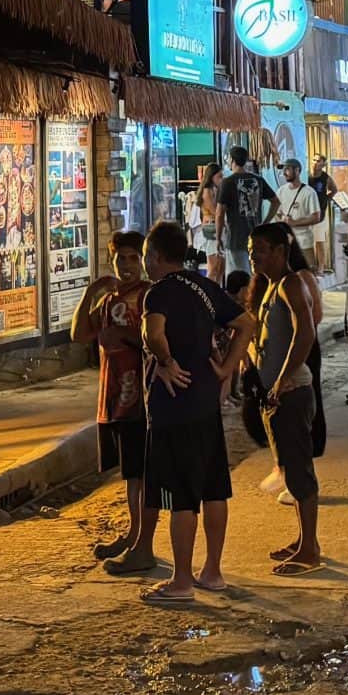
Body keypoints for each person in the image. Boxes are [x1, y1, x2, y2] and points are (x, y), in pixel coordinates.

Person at [138, 220, 244, 603]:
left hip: (175, 401)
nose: (146, 264)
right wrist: (228, 366)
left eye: (148, 256)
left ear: (157, 256)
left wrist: (164, 360)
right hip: (206, 399)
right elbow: (246, 322)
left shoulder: (159, 293)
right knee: (213, 487)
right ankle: (212, 570)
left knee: (182, 496)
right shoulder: (204, 287)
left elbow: (153, 333)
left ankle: (181, 580)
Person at [71, 230, 155, 576]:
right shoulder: (107, 300)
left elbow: (156, 340)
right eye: (121, 259)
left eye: (133, 258)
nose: (127, 265)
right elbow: (79, 334)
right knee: (129, 473)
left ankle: (138, 540)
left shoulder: (148, 297)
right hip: (113, 397)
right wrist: (91, 291)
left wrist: (125, 336)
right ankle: (133, 535)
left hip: (139, 398)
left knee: (139, 473)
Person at [247, 224, 325, 574]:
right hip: (276, 393)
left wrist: (282, 379)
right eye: (251, 249)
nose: (253, 255)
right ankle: (303, 539)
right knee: (291, 470)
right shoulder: (270, 287)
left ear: (281, 251)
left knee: (299, 472)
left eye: (260, 249)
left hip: (292, 392)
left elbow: (306, 332)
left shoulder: (292, 283)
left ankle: (310, 548)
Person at [216, 145, 276, 278]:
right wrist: (265, 222)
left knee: (238, 279)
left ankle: (244, 299)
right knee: (256, 276)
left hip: (235, 239)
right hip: (256, 237)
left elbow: (220, 213)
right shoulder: (258, 180)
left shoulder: (227, 182)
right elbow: (275, 201)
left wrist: (218, 237)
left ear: (232, 160)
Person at [276, 158, 324, 266]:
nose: (284, 173)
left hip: (304, 242)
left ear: (297, 170)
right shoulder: (281, 191)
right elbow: (277, 212)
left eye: (287, 169)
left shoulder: (309, 193)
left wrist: (294, 223)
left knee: (307, 274)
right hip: (287, 243)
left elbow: (316, 217)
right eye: (283, 169)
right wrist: (283, 219)